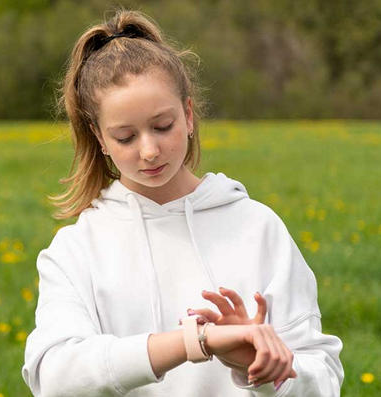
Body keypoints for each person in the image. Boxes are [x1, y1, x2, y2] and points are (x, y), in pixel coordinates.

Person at [21, 8, 343, 397]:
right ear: (100, 138)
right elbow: (54, 379)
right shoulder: (76, 250)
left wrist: (260, 370)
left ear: (188, 115)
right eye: (125, 137)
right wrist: (195, 342)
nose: (150, 150)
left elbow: (322, 380)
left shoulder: (258, 227)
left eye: (163, 126)